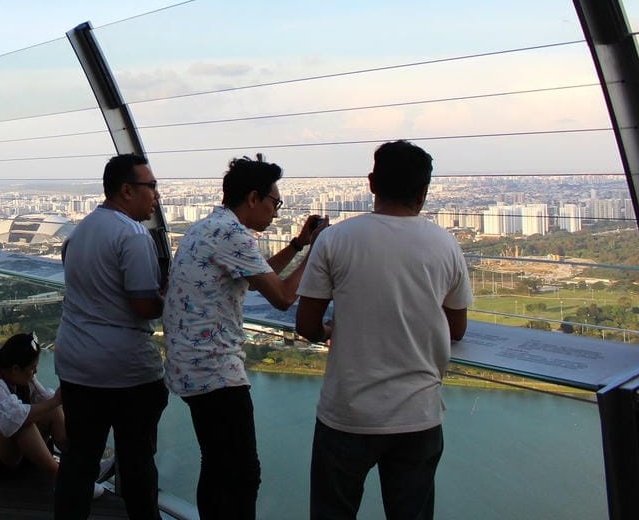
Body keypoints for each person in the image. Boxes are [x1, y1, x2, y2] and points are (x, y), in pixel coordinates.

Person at [295, 140, 474, 520]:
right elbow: (456, 328)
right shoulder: (445, 244)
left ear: (372, 183)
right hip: (419, 412)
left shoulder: (334, 239)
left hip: (347, 413)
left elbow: (306, 325)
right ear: (424, 191)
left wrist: (331, 330)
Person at [163, 156, 327, 520]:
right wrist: (318, 250)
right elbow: (283, 297)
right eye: (275, 203)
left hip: (190, 367)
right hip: (215, 371)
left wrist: (299, 244)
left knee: (217, 465)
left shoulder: (208, 227)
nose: (275, 213)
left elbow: (262, 275)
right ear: (253, 198)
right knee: (242, 475)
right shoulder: (232, 234)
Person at [53, 153, 167, 520]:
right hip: (125, 369)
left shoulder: (80, 231)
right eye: (151, 187)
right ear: (126, 191)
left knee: (78, 459)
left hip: (76, 362)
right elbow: (144, 306)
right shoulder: (132, 235)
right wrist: (175, 295)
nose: (156, 196)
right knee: (137, 462)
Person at [0, 332, 113, 496]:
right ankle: (63, 479)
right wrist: (55, 401)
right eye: (32, 368)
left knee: (47, 411)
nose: (35, 371)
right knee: (20, 421)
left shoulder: (23, 378)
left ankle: (82, 466)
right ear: (16, 369)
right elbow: (15, 417)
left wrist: (64, 399)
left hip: (17, 456)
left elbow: (48, 402)